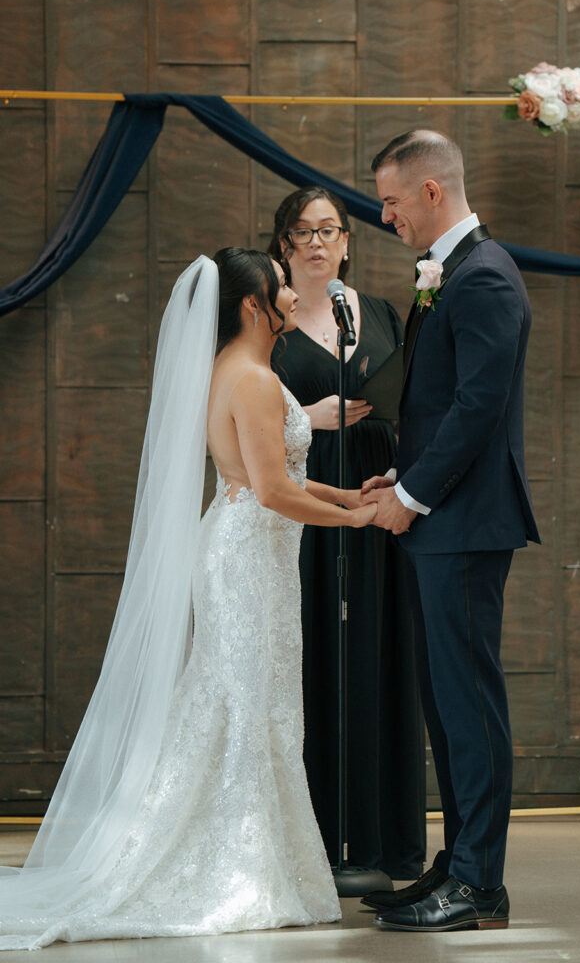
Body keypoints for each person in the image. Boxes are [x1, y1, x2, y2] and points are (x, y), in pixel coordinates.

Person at [0, 249, 377, 951]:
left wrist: (349, 494)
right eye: (282, 286)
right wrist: (356, 518)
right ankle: (243, 872)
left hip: (244, 548)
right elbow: (271, 490)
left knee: (239, 703)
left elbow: (267, 477)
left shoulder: (226, 373)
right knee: (248, 706)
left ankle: (251, 861)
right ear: (250, 306)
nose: (295, 294)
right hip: (249, 559)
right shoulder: (257, 381)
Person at [360, 131, 540, 932]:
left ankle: (478, 885)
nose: (385, 215)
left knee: (469, 706)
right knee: (445, 706)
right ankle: (459, 861)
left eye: (392, 201)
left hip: (463, 524)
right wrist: (397, 479)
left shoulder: (485, 278)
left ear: (432, 193)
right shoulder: (453, 273)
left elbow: (478, 410)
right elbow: (437, 407)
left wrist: (417, 494)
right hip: (440, 516)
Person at [266, 187, 426, 879]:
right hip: (306, 494)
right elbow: (232, 422)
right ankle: (321, 840)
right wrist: (309, 415)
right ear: (282, 246)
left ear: (348, 241)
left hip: (377, 492)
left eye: (329, 230)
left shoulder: (383, 312)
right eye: (302, 233)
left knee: (381, 652)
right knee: (320, 655)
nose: (317, 243)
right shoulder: (266, 323)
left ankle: (382, 838)